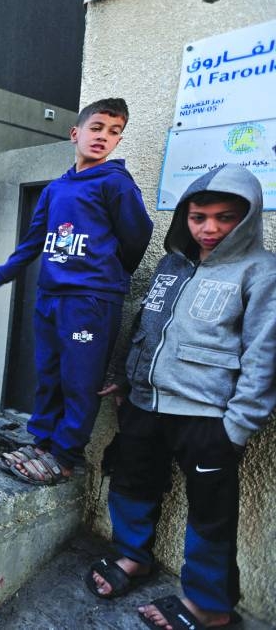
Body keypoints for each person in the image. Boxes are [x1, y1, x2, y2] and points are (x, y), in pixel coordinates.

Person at [88, 164, 276, 629]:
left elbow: (265, 353)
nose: (209, 228)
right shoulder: (172, 264)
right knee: (131, 482)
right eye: (198, 217)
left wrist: (236, 426)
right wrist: (123, 378)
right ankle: (134, 556)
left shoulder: (261, 271)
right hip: (145, 404)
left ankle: (209, 605)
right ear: (185, 217)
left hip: (205, 415)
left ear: (249, 218)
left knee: (211, 512)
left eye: (225, 217)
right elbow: (144, 324)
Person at [0, 97, 153, 485]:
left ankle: (65, 457)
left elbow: (138, 237)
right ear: (76, 133)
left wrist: (107, 276)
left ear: (119, 141)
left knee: (78, 381)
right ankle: (42, 443)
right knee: (49, 375)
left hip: (90, 301)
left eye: (114, 132)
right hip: (50, 298)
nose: (104, 137)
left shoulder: (115, 184)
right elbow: (33, 244)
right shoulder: (55, 190)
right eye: (97, 127)